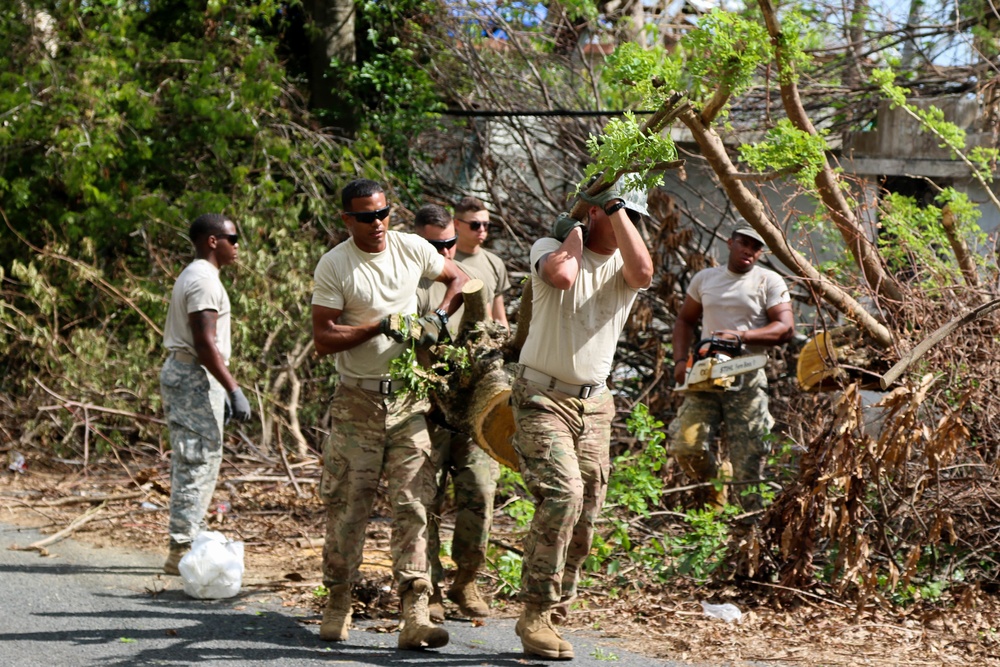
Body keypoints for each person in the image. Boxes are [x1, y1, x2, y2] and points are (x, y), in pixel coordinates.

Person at [311, 180, 467, 651]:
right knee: (348, 507)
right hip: (358, 402)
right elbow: (323, 337)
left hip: (407, 401)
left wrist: (438, 316)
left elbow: (459, 278)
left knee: (415, 505)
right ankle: (338, 603)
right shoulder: (335, 264)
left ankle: (415, 614)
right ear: (347, 220)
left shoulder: (412, 247)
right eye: (365, 217)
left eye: (382, 214)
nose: (376, 224)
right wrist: (378, 326)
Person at [510, 180, 654, 660]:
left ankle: (556, 606)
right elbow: (563, 276)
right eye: (617, 215)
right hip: (541, 396)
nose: (626, 225)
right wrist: (574, 227)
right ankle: (535, 611)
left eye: (633, 217)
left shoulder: (625, 264)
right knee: (564, 494)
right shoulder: (551, 246)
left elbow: (645, 272)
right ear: (592, 214)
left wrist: (616, 209)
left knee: (589, 505)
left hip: (595, 404)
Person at [412, 204, 501, 622]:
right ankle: (427, 586)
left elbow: (493, 331)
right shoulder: (407, 282)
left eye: (450, 244)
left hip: (469, 408)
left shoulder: (475, 275)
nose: (446, 254)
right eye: (435, 246)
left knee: (480, 493)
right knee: (423, 501)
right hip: (424, 409)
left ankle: (466, 579)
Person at [668, 227, 794, 511]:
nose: (748, 250)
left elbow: (785, 328)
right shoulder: (706, 279)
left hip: (746, 373)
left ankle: (746, 528)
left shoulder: (768, 281)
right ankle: (716, 482)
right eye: (744, 243)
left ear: (760, 252)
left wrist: (741, 336)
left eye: (755, 247)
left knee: (749, 456)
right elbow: (684, 320)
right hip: (706, 373)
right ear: (730, 242)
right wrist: (680, 360)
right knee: (686, 446)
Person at [160, 213, 252, 575]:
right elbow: (204, 343)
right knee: (196, 459)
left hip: (198, 377)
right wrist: (233, 389)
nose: (237, 245)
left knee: (202, 456)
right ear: (213, 241)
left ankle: (187, 538)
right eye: (233, 237)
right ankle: (181, 548)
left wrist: (222, 390)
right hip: (193, 375)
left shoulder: (202, 276)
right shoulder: (202, 281)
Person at [453, 196, 510, 331]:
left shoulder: (495, 263)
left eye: (486, 225)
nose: (482, 230)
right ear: (457, 224)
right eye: (475, 225)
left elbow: (499, 317)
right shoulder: (444, 260)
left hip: (484, 346)